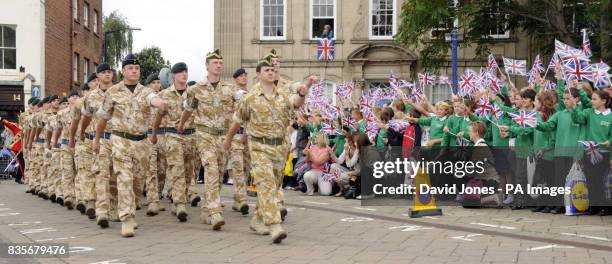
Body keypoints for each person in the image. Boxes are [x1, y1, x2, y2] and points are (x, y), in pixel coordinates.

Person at [224, 54, 308, 243]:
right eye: (266, 70)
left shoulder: (283, 95)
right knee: (266, 185)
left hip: (280, 148)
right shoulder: (250, 98)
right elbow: (237, 121)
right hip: (259, 147)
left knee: (273, 186)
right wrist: (229, 140)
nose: (271, 72)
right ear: (258, 74)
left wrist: (303, 93)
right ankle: (275, 225)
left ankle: (257, 219)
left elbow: (296, 103)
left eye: (272, 70)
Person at [93, 53, 169, 237]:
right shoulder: (113, 92)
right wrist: (97, 139)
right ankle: (126, 218)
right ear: (123, 71)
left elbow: (154, 99)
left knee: (137, 180)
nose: (134, 71)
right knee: (124, 177)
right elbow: (103, 119)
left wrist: (161, 104)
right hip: (120, 140)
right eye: (130, 68)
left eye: (136, 68)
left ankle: (131, 207)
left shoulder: (145, 91)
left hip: (141, 142)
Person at [178, 49, 239, 231]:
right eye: (215, 63)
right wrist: (181, 124)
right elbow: (188, 109)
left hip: (223, 136)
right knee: (211, 168)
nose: (218, 66)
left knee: (219, 173)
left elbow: (242, 103)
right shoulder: (195, 89)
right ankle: (214, 212)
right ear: (206, 65)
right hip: (204, 135)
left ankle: (206, 209)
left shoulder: (229, 89)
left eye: (220, 63)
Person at [152, 62, 199, 222]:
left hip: (191, 136)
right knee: (177, 169)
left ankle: (178, 199)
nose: (183, 75)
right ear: (173, 75)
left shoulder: (193, 93)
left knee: (188, 172)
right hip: (172, 136)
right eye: (180, 72)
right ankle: (179, 204)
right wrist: (154, 133)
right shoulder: (164, 95)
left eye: (185, 72)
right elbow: (158, 116)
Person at [80, 63, 120, 227]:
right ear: (97, 76)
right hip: (101, 139)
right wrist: (82, 132)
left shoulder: (120, 92)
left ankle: (114, 209)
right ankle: (102, 211)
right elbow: (86, 117)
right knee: (101, 174)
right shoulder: (90, 97)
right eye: (103, 72)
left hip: (118, 139)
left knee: (116, 176)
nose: (107, 74)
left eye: (109, 72)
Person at [69, 74, 98, 216]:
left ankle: (103, 203)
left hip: (106, 141)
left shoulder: (111, 97)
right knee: (86, 171)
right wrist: (72, 139)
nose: (97, 83)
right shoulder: (80, 103)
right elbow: (74, 123)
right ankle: (90, 201)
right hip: (85, 140)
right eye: (93, 81)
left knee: (102, 173)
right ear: (89, 85)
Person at [226, 68, 250, 215]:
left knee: (246, 168)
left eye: (245, 75)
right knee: (238, 168)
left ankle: (237, 200)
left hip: (249, 136)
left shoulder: (251, 94)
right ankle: (242, 200)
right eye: (240, 76)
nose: (244, 78)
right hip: (235, 136)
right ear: (235, 79)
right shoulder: (232, 94)